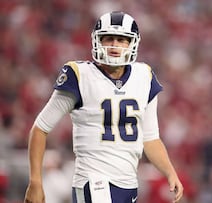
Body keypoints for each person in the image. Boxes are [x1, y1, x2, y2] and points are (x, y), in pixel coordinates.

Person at [24, 11, 183, 203]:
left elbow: (150, 139)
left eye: (122, 39)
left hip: (128, 183)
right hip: (93, 182)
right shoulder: (80, 75)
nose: (115, 45)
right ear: (97, 40)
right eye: (109, 39)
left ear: (133, 43)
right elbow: (40, 128)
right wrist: (35, 181)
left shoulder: (144, 76)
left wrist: (169, 172)